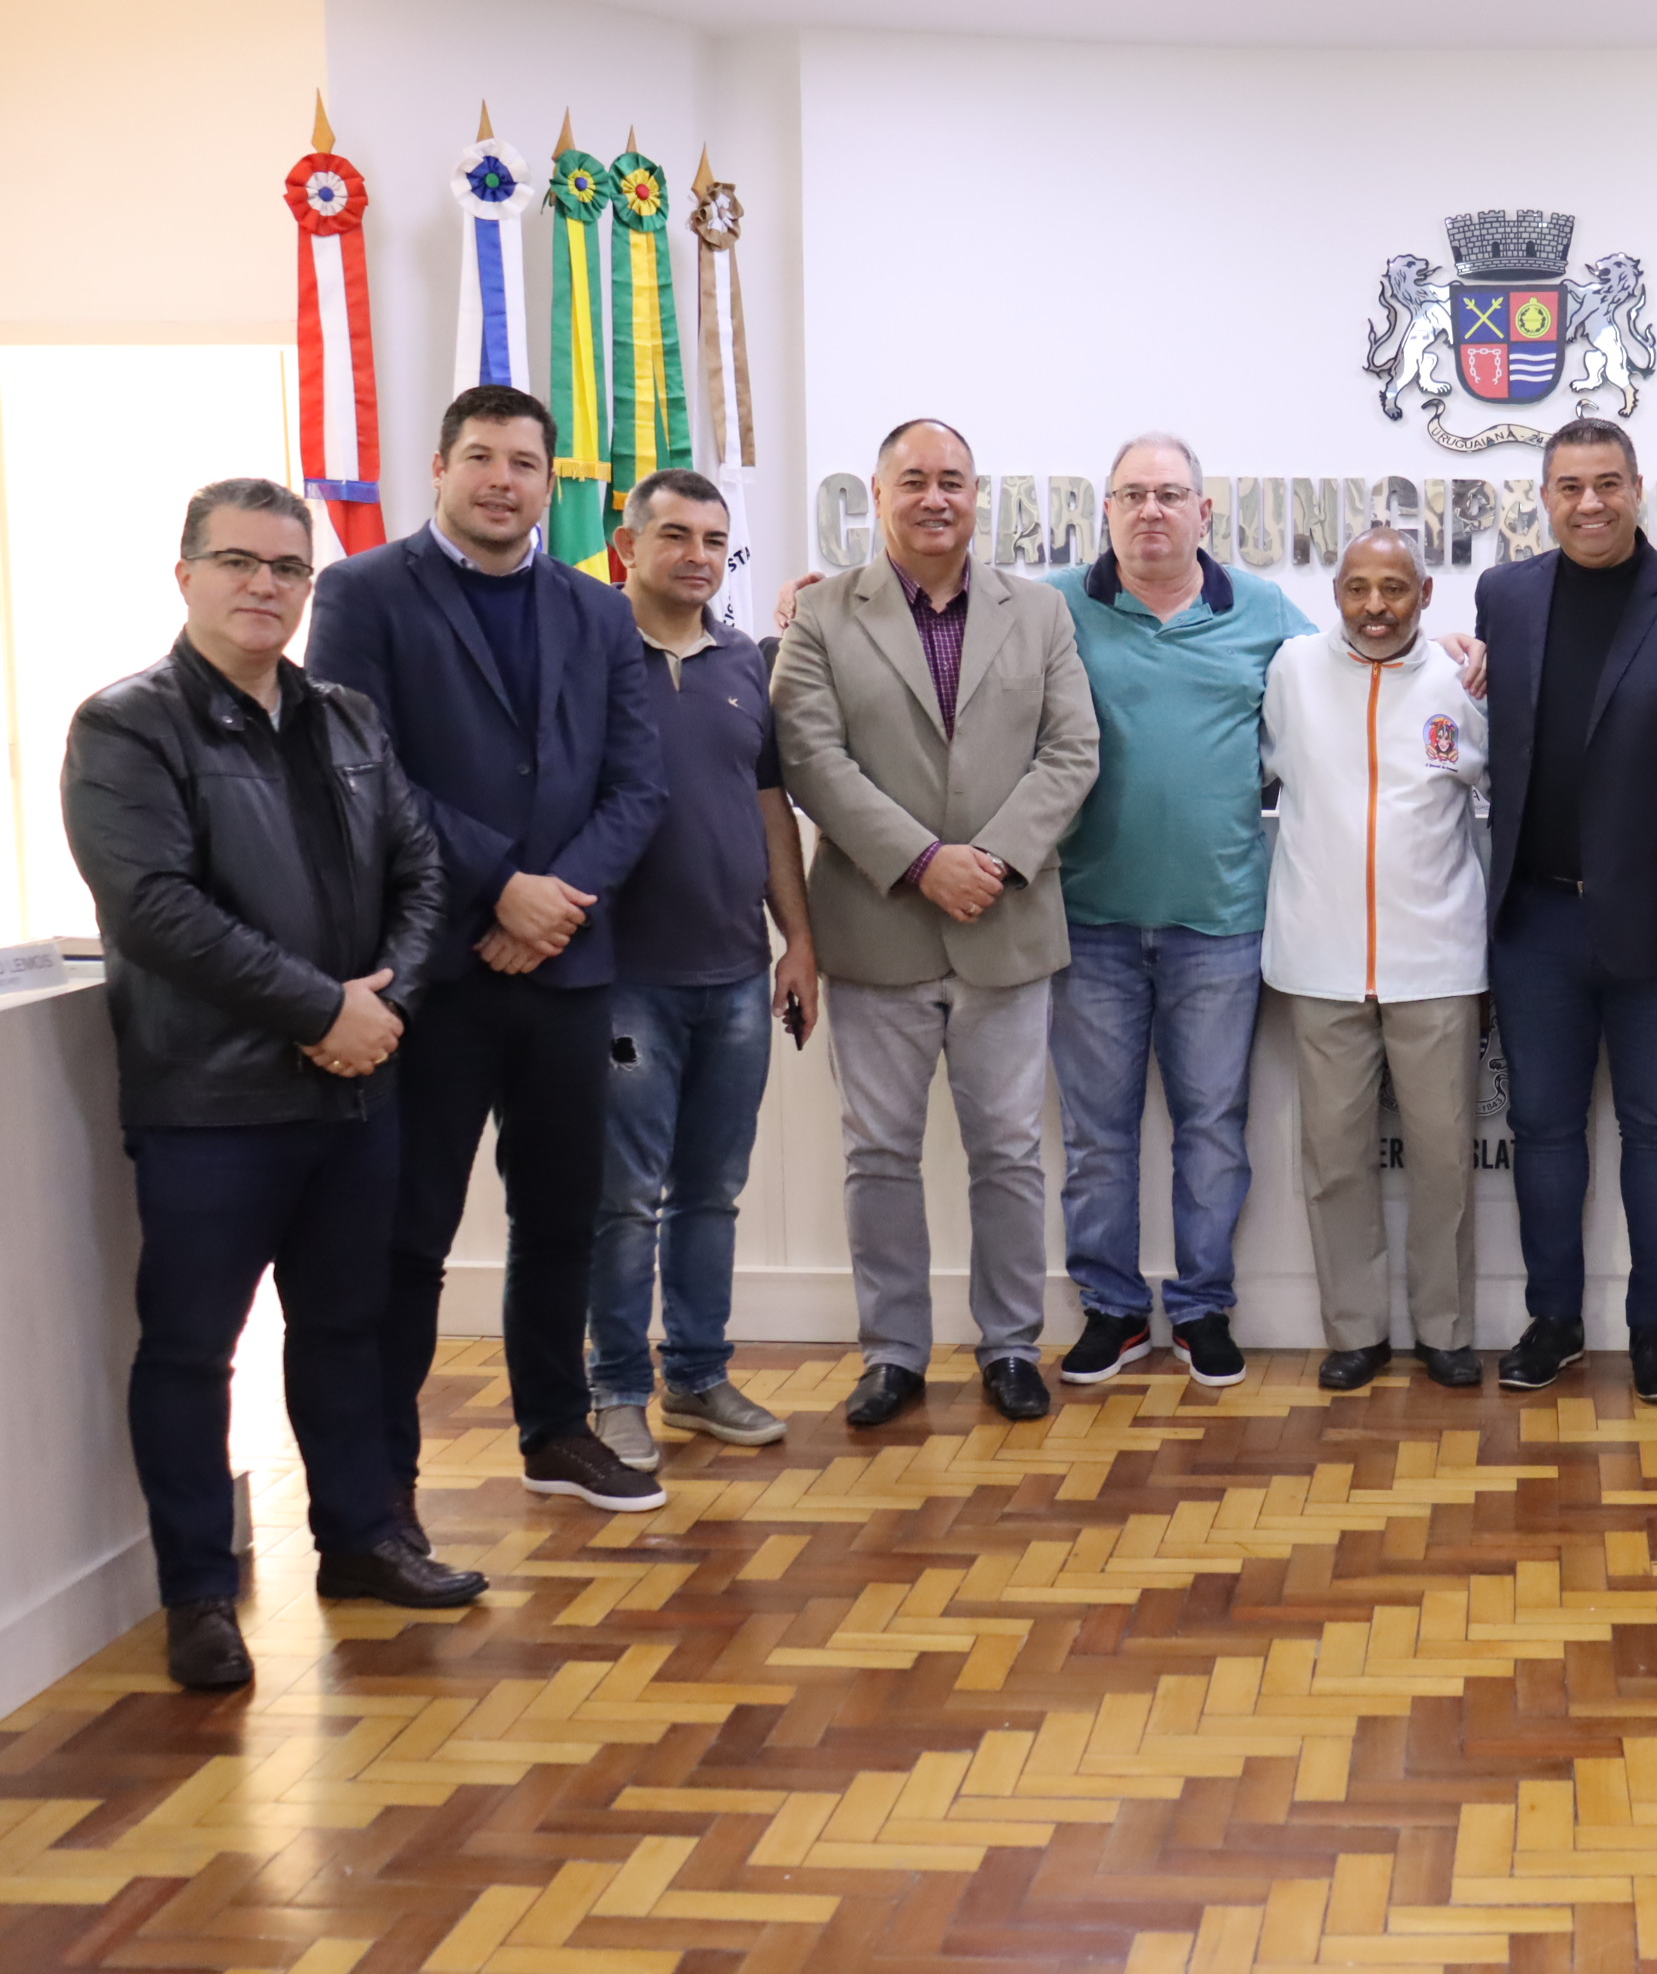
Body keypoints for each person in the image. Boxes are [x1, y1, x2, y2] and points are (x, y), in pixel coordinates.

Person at [63, 479, 489, 1692]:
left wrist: (382, 1007)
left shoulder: (348, 718)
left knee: (348, 1331)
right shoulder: (127, 727)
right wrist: (324, 1010)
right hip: (211, 1106)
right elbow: (154, 910)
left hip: (356, 1094)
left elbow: (422, 870)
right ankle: (198, 1590)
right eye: (238, 561)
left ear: (312, 585)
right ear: (186, 573)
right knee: (193, 1351)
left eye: (287, 568)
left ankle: (360, 1541)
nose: (265, 585)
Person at [308, 386, 669, 1520]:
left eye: (524, 461)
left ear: (549, 478)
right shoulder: (363, 593)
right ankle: (385, 1480)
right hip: (435, 970)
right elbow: (365, 770)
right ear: (439, 467)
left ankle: (554, 1432)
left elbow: (637, 780)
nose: (503, 479)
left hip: (567, 967)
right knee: (408, 1230)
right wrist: (498, 891)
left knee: (560, 1213)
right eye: (481, 458)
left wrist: (554, 901)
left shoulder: (597, 609)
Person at [772, 419, 1100, 1427]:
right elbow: (809, 756)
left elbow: (1073, 750)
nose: (935, 498)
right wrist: (923, 862)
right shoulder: (824, 614)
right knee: (878, 1153)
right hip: (877, 931)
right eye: (913, 480)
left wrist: (990, 860)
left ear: (976, 494)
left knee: (1008, 1150)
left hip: (1006, 927)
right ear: (877, 495)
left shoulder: (1038, 612)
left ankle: (1009, 1346)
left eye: (952, 480)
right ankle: (894, 1352)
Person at [1477, 419, 1657, 1404]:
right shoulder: (1504, 597)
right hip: (1535, 924)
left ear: (1639, 489)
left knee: (1656, 1128)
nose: (1589, 503)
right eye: (1569, 486)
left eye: (1608, 483)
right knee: (1542, 1126)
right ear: (1545, 496)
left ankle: (1655, 1332)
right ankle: (1554, 1319)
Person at [1039, 435, 1316, 1391]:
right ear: (1104, 512)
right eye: (1132, 495)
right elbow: (937, 624)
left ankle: (1202, 1310)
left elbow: (1363, 671)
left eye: (1170, 495)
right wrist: (809, 597)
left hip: (1222, 921)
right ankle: (1112, 1310)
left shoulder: (1269, 611)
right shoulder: (1053, 607)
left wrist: (1459, 652)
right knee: (1097, 1133)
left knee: (1212, 1126)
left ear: (1206, 512)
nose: (1151, 511)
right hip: (1088, 920)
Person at [581, 470, 818, 1468]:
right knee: (625, 1195)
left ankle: (699, 1377)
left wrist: (798, 939)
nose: (697, 555)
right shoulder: (587, 662)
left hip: (735, 977)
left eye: (715, 540)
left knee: (711, 1189)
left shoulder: (743, 668)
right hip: (625, 980)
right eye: (674, 535)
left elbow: (770, 814)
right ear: (626, 547)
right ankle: (618, 1391)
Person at [1261, 528, 1491, 1390]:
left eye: (1394, 589)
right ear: (1336, 592)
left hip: (1437, 962)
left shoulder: (1462, 682)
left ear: (1426, 596)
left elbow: (1497, 785)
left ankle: (1446, 1328)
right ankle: (1354, 1330)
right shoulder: (1289, 672)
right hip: (1320, 963)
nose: (1375, 607)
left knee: (1443, 1160)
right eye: (1358, 588)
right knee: (1336, 1159)